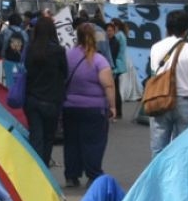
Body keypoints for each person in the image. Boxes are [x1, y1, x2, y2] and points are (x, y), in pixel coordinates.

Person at [147, 10, 188, 157]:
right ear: (187, 30)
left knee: (159, 149)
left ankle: (160, 178)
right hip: (185, 101)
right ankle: (180, 179)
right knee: (183, 149)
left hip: (161, 99)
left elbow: (155, 71)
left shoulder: (156, 47)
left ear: (167, 28)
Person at [62, 23, 115, 188]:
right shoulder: (99, 59)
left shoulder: (68, 56)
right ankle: (93, 174)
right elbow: (108, 85)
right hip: (93, 107)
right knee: (93, 142)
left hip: (70, 106)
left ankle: (72, 175)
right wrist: (112, 107)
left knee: (71, 142)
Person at [24, 16, 67, 165]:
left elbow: (25, 71)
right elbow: (65, 73)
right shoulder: (59, 51)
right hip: (52, 100)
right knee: (49, 137)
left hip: (32, 98)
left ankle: (35, 168)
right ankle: (44, 166)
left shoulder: (30, 49)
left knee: (36, 136)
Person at [106, 19, 128, 119]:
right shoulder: (122, 35)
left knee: (114, 88)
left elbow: (113, 53)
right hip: (120, 63)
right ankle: (118, 111)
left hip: (116, 65)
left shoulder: (118, 36)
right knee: (116, 88)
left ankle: (116, 110)